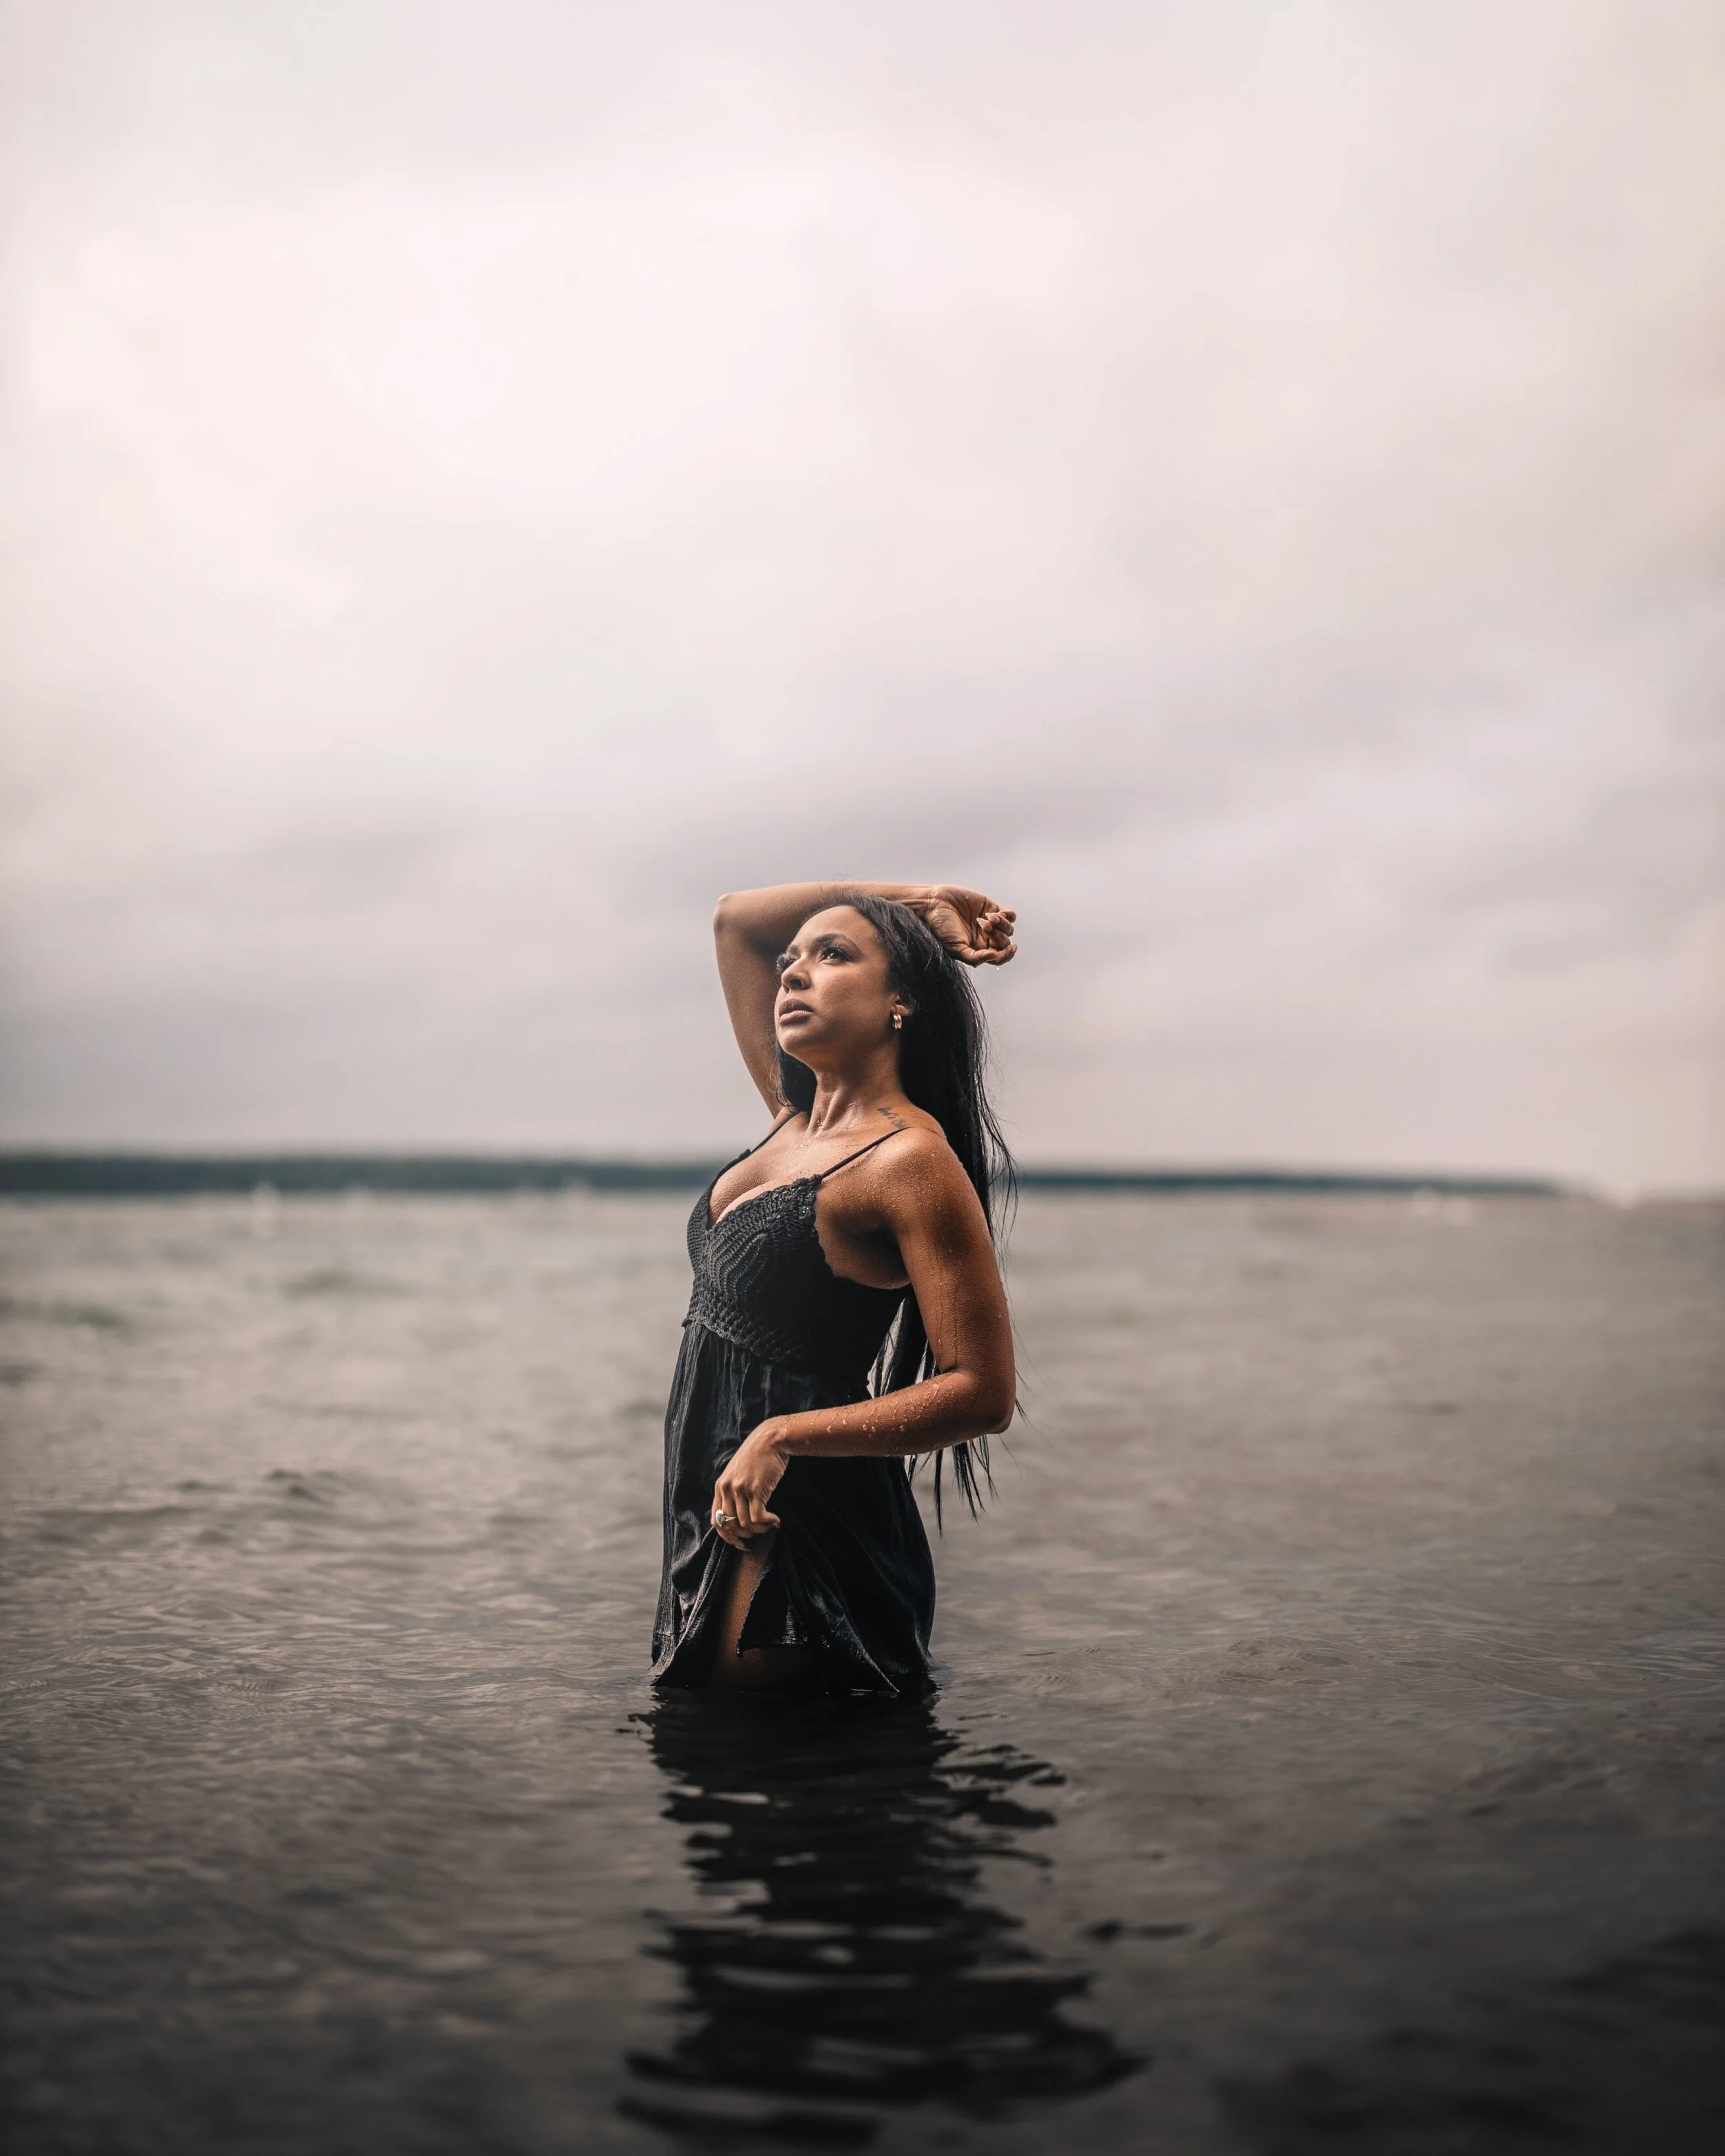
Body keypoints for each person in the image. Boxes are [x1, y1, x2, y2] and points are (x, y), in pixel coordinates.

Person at [649, 882, 1018, 1697]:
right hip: (713, 1491)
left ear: (902, 1003)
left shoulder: (909, 1162)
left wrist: (781, 1436)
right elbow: (738, 919)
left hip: (799, 1511)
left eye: (833, 955)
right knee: (727, 1786)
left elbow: (981, 1392)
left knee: (789, 1780)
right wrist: (920, 900)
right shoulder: (792, 1120)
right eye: (791, 962)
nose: (791, 974)